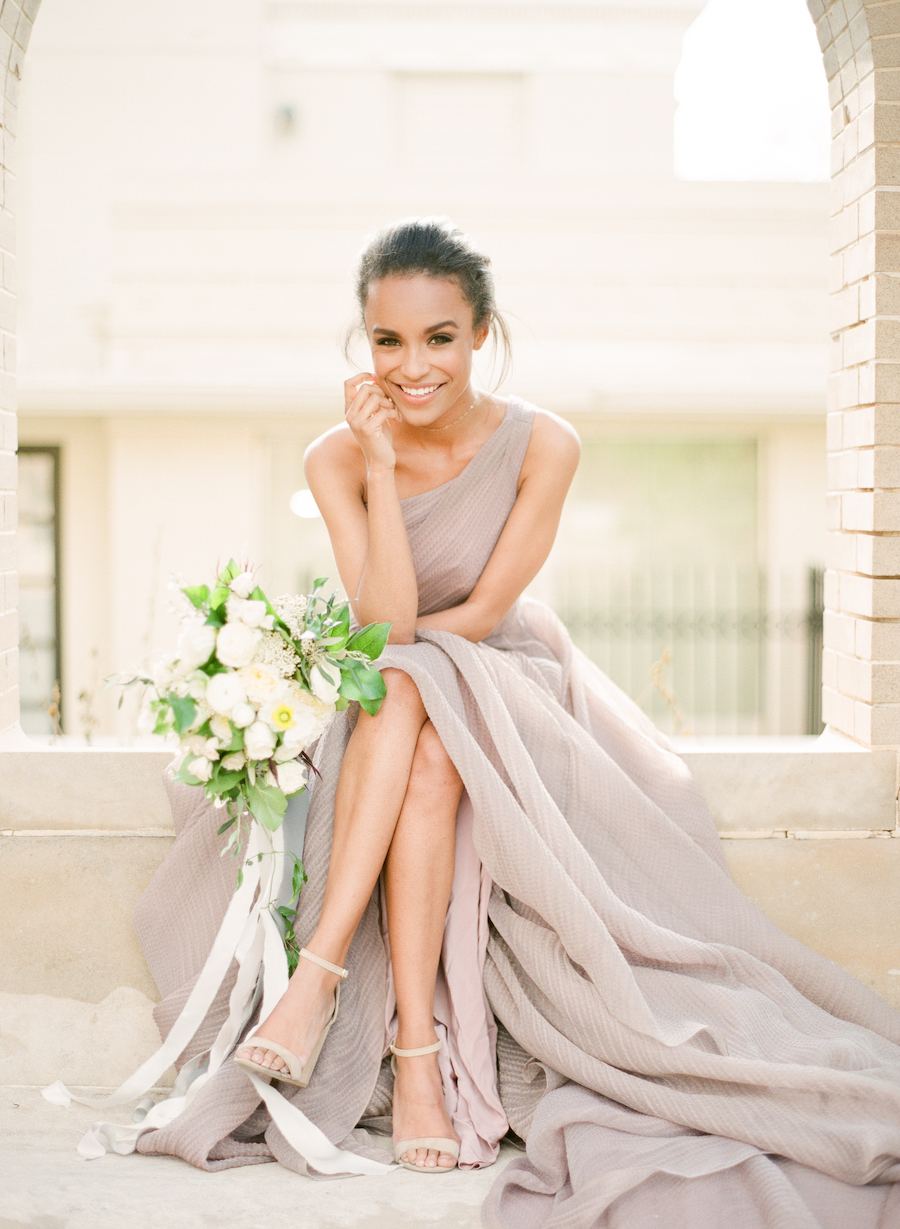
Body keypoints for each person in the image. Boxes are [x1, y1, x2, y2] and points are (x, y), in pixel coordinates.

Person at [133, 218, 900, 1226]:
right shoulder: (337, 456)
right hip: (388, 691)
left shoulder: (544, 442)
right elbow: (380, 628)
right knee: (410, 708)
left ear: (483, 333)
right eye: (390, 342)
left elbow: (478, 616)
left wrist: (412, 668)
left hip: (503, 677)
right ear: (366, 342)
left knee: (423, 695)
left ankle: (315, 986)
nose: (414, 366)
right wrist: (376, 461)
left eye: (440, 337)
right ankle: (408, 1063)